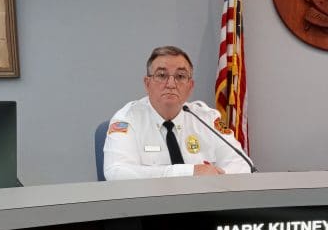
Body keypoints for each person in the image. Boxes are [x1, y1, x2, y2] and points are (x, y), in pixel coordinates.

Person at [103, 46, 253, 180]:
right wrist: (190, 172)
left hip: (204, 205)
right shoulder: (128, 119)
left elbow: (243, 165)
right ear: (147, 83)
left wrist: (216, 176)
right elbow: (116, 172)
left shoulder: (206, 119)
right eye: (161, 75)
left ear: (190, 86)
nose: (171, 84)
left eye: (180, 76)